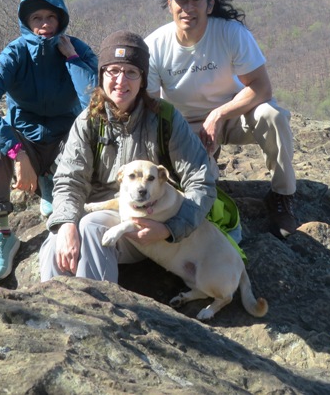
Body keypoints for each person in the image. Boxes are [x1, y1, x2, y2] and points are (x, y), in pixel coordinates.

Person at [39, 30, 216, 282]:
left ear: (143, 79)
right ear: (102, 75)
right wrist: (66, 223)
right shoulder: (89, 121)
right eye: (113, 70)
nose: (121, 81)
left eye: (131, 72)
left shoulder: (164, 119)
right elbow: (70, 180)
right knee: (55, 240)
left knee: (92, 227)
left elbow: (201, 181)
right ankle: (54, 313)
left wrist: (169, 229)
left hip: (147, 220)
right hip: (100, 207)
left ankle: (97, 314)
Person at [145, 0, 299, 238]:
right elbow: (152, 108)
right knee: (201, 181)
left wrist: (217, 115)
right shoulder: (155, 46)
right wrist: (182, 141)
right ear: (169, 5)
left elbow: (261, 88)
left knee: (272, 116)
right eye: (181, 0)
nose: (188, 8)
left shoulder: (230, 33)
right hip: (184, 125)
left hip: (232, 114)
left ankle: (282, 195)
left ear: (210, 4)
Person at [0, 0, 97, 283]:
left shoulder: (78, 49)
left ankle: (52, 180)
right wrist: (17, 153)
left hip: (65, 141)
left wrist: (73, 59)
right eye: (36, 17)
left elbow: (97, 103)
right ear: (26, 22)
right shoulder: (15, 53)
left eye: (51, 17)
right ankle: (2, 233)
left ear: (61, 20)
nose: (44, 24)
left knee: (90, 127)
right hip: (26, 139)